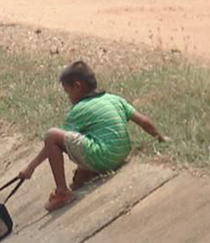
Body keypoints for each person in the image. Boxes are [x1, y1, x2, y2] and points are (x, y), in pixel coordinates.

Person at [18, 60, 170, 211]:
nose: (68, 97)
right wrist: (161, 138)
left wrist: (30, 168)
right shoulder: (114, 99)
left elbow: (55, 143)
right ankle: (88, 172)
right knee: (83, 143)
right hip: (121, 154)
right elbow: (143, 121)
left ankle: (62, 192)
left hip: (104, 157)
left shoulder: (79, 109)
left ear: (77, 86)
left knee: (52, 135)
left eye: (68, 92)